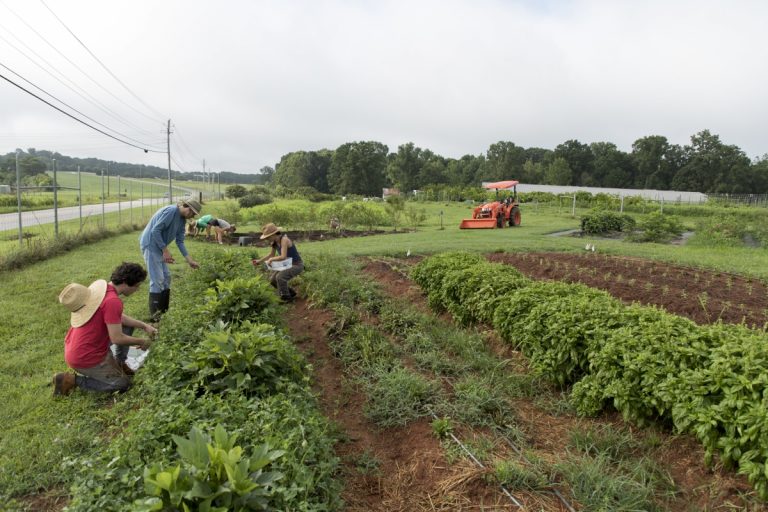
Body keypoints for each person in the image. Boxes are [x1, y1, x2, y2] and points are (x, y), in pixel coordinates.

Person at [53, 262, 157, 396]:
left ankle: (119, 364)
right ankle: (71, 380)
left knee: (127, 325)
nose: (137, 289)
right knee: (123, 384)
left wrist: (144, 325)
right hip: (86, 356)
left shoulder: (105, 291)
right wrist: (143, 342)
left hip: (76, 347)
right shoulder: (113, 301)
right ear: (125, 283)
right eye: (137, 286)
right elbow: (117, 338)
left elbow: (119, 318)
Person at [139, 199, 201, 319]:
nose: (192, 216)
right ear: (186, 207)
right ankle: (155, 317)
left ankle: (163, 311)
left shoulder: (182, 220)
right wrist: (165, 250)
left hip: (159, 247)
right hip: (151, 245)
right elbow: (155, 230)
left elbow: (180, 241)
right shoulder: (171, 211)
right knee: (157, 280)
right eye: (192, 213)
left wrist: (189, 260)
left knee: (167, 277)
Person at [251, 223, 304, 302]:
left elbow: (283, 256)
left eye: (267, 237)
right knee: (272, 280)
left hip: (296, 265)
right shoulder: (274, 242)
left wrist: (272, 259)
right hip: (286, 264)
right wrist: (259, 261)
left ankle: (286, 298)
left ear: (273, 235)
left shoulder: (284, 240)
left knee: (280, 277)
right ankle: (291, 293)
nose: (267, 239)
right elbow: (271, 254)